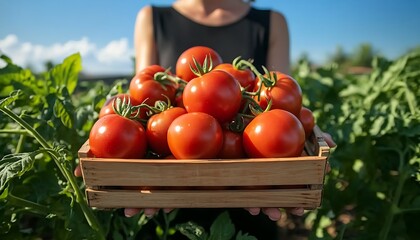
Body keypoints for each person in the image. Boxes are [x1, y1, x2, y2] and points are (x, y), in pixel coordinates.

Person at [76, 0, 336, 238]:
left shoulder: (271, 22)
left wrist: (309, 132)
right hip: (171, 192)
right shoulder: (152, 17)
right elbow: (142, 104)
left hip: (250, 192)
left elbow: (281, 102)